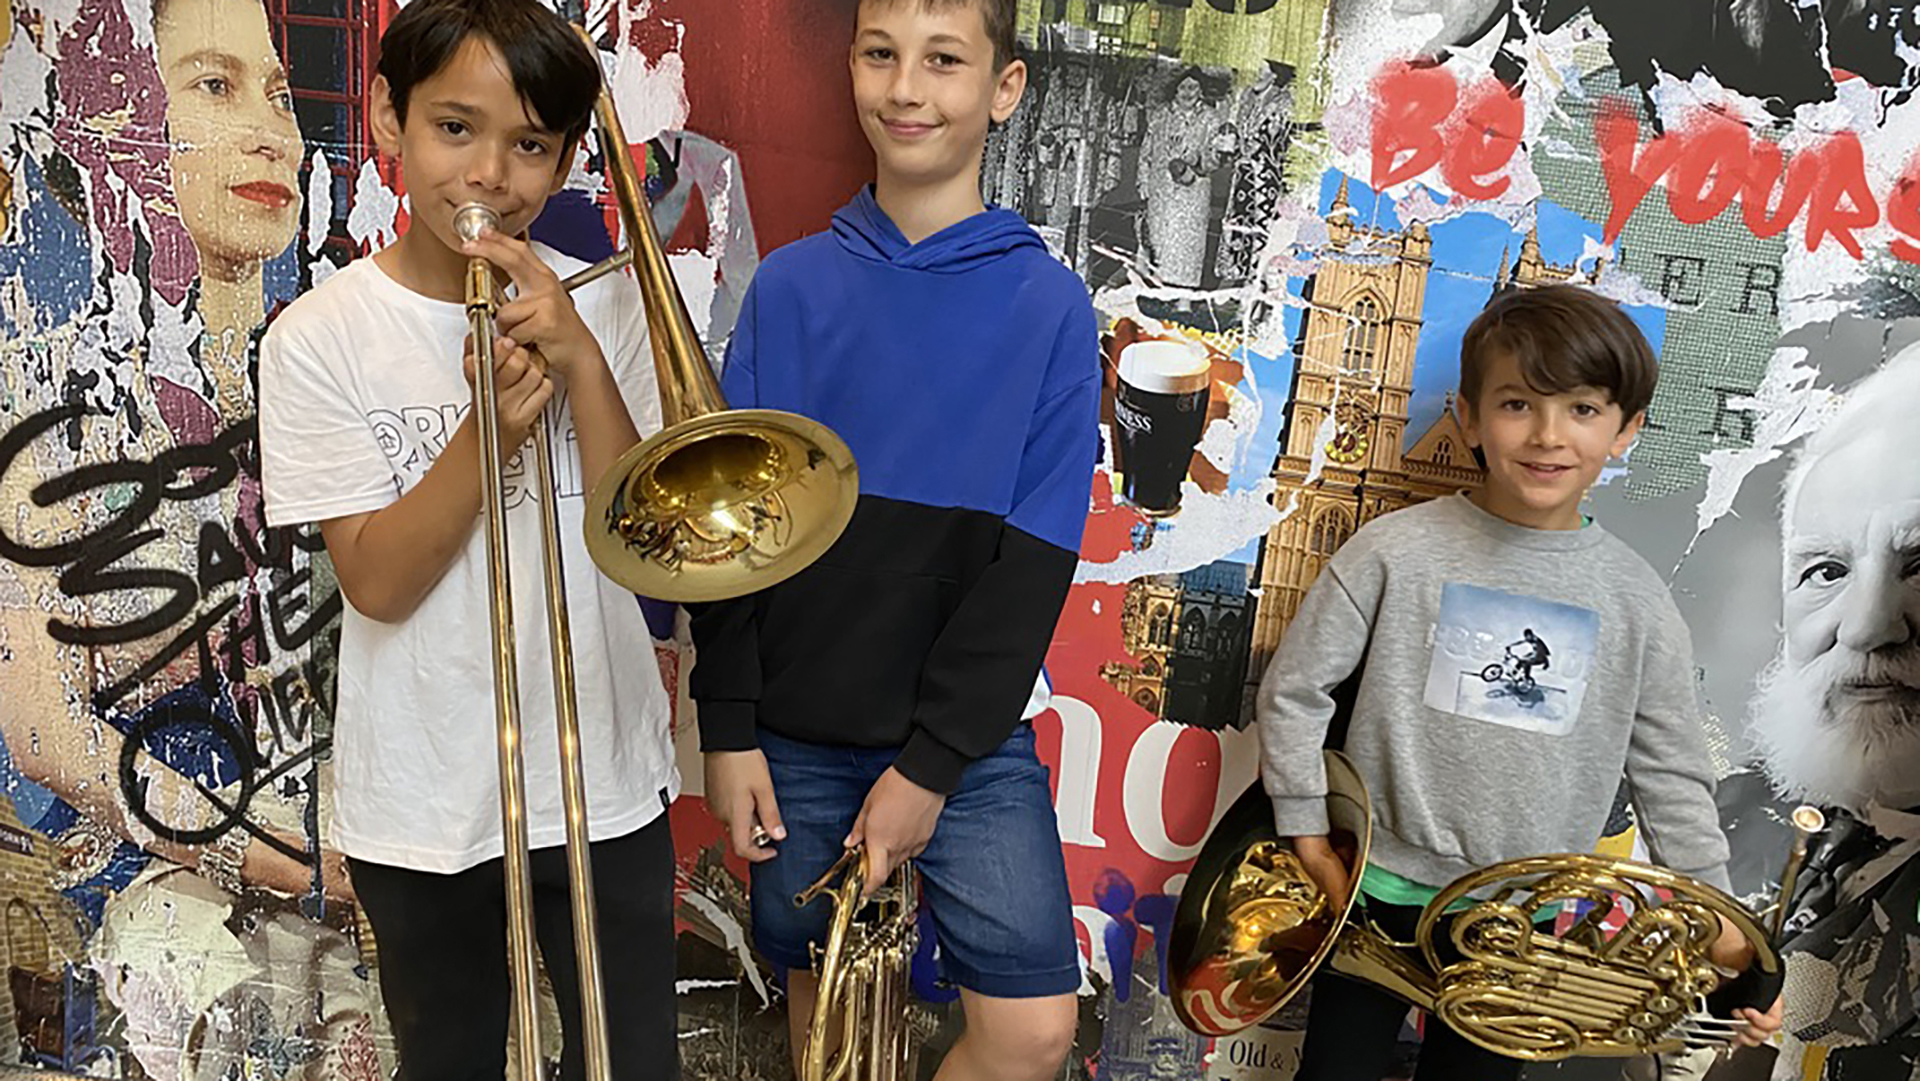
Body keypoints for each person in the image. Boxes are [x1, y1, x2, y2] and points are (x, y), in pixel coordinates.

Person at [255, 0, 679, 1077]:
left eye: (531, 144)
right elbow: (380, 584)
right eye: (455, 128)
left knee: (631, 1061)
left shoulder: (612, 308)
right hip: (424, 791)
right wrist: (485, 436)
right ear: (388, 120)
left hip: (604, 776)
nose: (489, 174)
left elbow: (657, 542)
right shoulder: (320, 338)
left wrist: (582, 360)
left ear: (568, 158)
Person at [687, 1, 1100, 1078]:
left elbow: (1032, 570)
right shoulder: (788, 288)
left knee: (1034, 1027)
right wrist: (728, 729)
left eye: (944, 61)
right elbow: (728, 537)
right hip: (796, 736)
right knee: (824, 1028)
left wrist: (929, 767)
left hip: (965, 746)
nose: (907, 88)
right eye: (880, 55)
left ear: (1003, 91)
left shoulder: (1052, 308)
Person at [1254, 284, 1783, 1081]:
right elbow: (1294, 691)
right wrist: (1304, 831)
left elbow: (1673, 775)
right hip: (1372, 894)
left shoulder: (1638, 602)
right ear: (1469, 417)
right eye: (1516, 404)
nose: (1547, 435)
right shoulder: (1392, 549)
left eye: (1581, 408)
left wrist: (1723, 922)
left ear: (1626, 429)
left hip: (1523, 922)